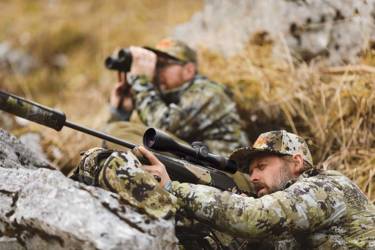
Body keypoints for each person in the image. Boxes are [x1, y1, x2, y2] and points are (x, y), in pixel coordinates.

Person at [142, 130, 375, 249]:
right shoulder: (284, 221)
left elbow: (255, 217)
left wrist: (173, 188)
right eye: (251, 170)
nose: (253, 177)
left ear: (296, 163)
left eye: (262, 166)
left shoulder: (326, 187)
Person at [106, 38, 248, 156]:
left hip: (229, 174)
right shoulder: (164, 97)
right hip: (202, 165)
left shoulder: (208, 93)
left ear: (188, 70)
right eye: (156, 65)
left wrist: (140, 81)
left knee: (127, 136)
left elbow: (162, 129)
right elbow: (115, 136)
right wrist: (121, 112)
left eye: (163, 64)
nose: (157, 71)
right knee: (118, 133)